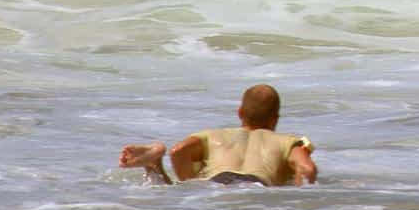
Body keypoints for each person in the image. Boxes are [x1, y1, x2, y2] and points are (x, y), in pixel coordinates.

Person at [118, 83, 318, 186]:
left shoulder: (214, 135)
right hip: (255, 185)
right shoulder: (287, 141)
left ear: (240, 113)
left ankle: (155, 163)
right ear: (275, 119)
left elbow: (178, 152)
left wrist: (192, 183)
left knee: (172, 189)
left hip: (216, 182)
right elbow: (307, 168)